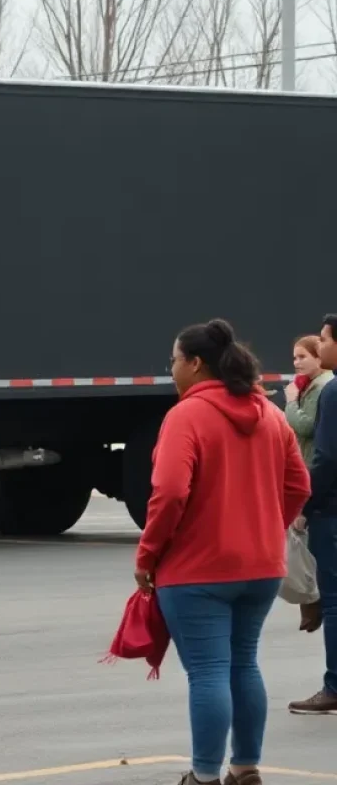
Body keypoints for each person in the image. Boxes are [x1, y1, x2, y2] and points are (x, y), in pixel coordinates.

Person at [134, 318, 310, 785]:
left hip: (197, 570)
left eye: (173, 360)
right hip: (261, 566)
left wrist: (148, 555)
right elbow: (299, 485)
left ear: (194, 364)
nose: (171, 369)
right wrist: (266, 528)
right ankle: (245, 767)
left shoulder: (186, 416)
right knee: (243, 663)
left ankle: (204, 775)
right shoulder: (270, 414)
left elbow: (170, 492)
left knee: (208, 671)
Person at [288, 313, 337, 715]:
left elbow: (326, 457)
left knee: (334, 601)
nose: (321, 347)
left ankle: (334, 685)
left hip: (331, 510)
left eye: (324, 340)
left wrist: (305, 504)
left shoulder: (333, 391)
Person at [283, 334, 331, 633]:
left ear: (318, 357)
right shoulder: (311, 387)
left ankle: (315, 605)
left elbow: (305, 426)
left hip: (315, 476)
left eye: (302, 356)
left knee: (309, 548)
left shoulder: (321, 388)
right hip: (309, 472)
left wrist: (289, 403)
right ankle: (313, 606)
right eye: (294, 358)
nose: (297, 363)